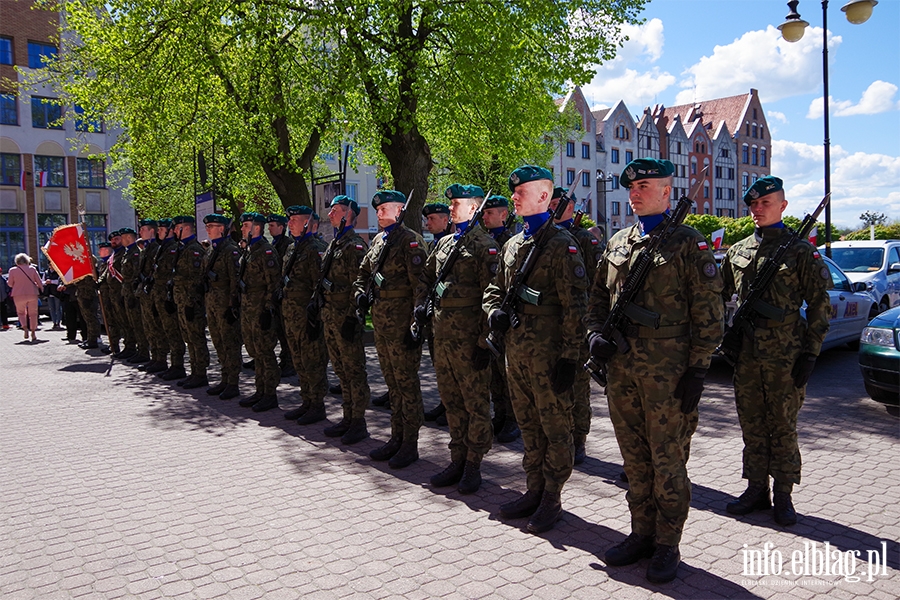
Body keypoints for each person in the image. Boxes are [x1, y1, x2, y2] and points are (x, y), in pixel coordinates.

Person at [584, 158, 724, 583]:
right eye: (632, 186)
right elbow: (596, 300)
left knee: (667, 461)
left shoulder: (688, 243)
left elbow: (710, 317)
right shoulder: (619, 242)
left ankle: (668, 543)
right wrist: (594, 336)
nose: (635, 192)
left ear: (667, 190)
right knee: (634, 459)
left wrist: (698, 371)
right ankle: (641, 532)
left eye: (645, 185)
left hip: (670, 375)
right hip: (622, 371)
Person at [721, 176, 832, 527]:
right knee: (752, 424)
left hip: (787, 355)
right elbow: (717, 297)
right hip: (748, 356)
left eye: (765, 203)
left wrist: (811, 352)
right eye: (753, 204)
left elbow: (819, 304)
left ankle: (783, 494)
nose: (757, 209)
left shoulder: (801, 251)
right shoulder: (737, 251)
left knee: (783, 426)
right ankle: (756, 489)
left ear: (782, 206)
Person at [483, 166, 588, 534]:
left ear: (544, 197)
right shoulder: (513, 244)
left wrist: (571, 359)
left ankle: (552, 497)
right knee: (529, 426)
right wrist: (492, 310)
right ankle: (534, 488)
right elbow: (494, 289)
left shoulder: (562, 245)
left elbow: (577, 308)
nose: (515, 196)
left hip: (549, 356)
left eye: (522, 191)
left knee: (555, 429)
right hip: (517, 354)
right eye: (514, 191)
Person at [417, 184, 499, 494]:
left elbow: (491, 297)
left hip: (469, 340)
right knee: (451, 402)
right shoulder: (444, 244)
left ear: (475, 208)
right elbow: (425, 279)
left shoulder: (485, 246)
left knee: (475, 402)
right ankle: (457, 458)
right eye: (451, 203)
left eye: (457, 203)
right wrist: (420, 305)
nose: (451, 208)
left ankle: (474, 463)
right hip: (443, 337)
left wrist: (484, 341)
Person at [353, 189, 428, 469]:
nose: (379, 214)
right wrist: (360, 293)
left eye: (384, 209)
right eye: (378, 209)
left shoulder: (410, 242)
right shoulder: (378, 240)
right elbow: (363, 274)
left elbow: (421, 286)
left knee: (407, 383)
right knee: (392, 384)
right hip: (382, 324)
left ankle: (410, 442)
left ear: (400, 210)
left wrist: (416, 324)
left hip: (401, 324)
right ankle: (396, 436)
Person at [550, 186, 602, 465]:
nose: (553, 208)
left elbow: (596, 285)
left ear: (570, 208)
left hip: (577, 325)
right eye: (551, 203)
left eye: (559, 203)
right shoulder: (544, 237)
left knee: (578, 389)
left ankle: (579, 439)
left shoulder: (583, 240)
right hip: (548, 328)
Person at [311, 196, 372, 431]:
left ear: (347, 214)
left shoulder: (354, 246)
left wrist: (351, 316)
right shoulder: (334, 244)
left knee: (354, 370)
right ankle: (348, 416)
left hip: (345, 317)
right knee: (340, 370)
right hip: (330, 316)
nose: (330, 215)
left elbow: (359, 284)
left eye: (335, 211)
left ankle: (358, 420)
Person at [278, 207, 335, 435]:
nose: (290, 223)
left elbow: (318, 286)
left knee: (313, 360)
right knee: (299, 360)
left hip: (307, 316)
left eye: (294, 220)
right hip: (291, 315)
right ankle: (306, 400)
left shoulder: (316, 249)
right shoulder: (293, 247)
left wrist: (315, 316)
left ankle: (317, 404)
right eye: (289, 220)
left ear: (307, 223)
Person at [481, 194, 520, 443]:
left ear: (504, 215)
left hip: (508, 316)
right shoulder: (485, 241)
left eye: (490, 212)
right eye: (484, 212)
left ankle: (512, 419)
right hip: (489, 312)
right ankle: (500, 412)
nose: (485, 216)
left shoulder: (510, 241)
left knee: (507, 373)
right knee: (494, 371)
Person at [237, 212, 282, 412]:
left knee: (265, 351)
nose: (242, 228)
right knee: (255, 351)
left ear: (257, 227)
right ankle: (260, 390)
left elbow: (274, 284)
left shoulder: (266, 252)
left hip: (260, 308)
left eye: (245, 225)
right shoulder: (249, 250)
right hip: (248, 307)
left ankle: (270, 393)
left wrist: (267, 309)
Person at [201, 214, 243, 400]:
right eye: (207, 226)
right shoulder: (212, 250)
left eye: (212, 226)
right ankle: (224, 378)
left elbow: (235, 279)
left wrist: (233, 305)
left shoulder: (230, 250)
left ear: (222, 228)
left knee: (230, 343)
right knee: (218, 342)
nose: (208, 229)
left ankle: (233, 382)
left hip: (225, 302)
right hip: (212, 301)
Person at [421, 201, 452, 424]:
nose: (427, 223)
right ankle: (445, 403)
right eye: (427, 219)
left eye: (432, 219)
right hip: (435, 317)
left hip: (454, 320)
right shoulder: (435, 245)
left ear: (445, 220)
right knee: (438, 365)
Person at [171, 215, 210, 389]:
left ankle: (200, 373)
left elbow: (196, 279)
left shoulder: (194, 250)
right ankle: (194, 371)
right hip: (182, 301)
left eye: (176, 227)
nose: (173, 231)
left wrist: (191, 303)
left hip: (191, 304)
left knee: (196, 337)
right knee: (189, 338)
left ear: (184, 228)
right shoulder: (183, 248)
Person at [151, 219, 188, 381]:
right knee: (164, 329)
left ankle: (178, 365)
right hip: (161, 294)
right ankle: (167, 362)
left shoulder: (173, 248)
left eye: (161, 229)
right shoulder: (163, 248)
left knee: (174, 332)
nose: (158, 232)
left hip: (171, 295)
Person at [267, 213, 295, 378]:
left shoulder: (287, 244)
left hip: (284, 293)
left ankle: (290, 362)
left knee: (286, 331)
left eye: (272, 226)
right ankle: (284, 359)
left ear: (281, 227)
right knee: (279, 329)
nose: (269, 229)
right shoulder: (275, 243)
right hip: (276, 293)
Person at [119, 227, 151, 364]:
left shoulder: (135, 254)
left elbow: (136, 275)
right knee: (131, 323)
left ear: (128, 237)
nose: (120, 240)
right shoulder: (128, 253)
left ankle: (143, 351)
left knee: (138, 324)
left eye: (122, 237)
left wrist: (133, 294)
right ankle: (133, 348)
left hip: (134, 293)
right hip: (127, 292)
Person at [7, 253, 44, 342]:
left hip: (18, 294)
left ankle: (25, 328)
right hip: (32, 293)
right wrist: (41, 289)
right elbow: (39, 282)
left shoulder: (12, 270)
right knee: (33, 313)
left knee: (21, 313)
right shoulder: (32, 269)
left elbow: (10, 284)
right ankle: (33, 332)